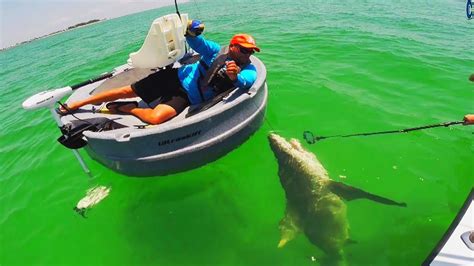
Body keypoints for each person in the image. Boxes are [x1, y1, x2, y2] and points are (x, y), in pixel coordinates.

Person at [57, 20, 260, 125]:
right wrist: (191, 29)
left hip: (187, 96)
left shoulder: (248, 68)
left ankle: (128, 109)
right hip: (175, 78)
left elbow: (247, 82)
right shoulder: (216, 51)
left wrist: (235, 77)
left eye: (251, 51)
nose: (247, 54)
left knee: (156, 118)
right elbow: (195, 41)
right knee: (129, 90)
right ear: (232, 47)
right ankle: (79, 104)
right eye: (244, 49)